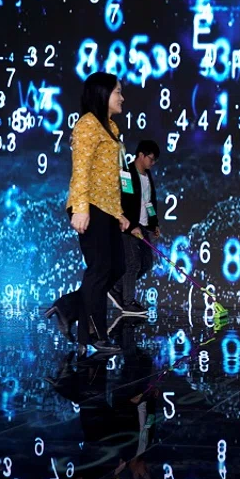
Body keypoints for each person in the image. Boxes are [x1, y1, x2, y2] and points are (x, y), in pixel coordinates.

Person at [45, 72, 130, 355]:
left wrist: (119, 212)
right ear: (103, 94)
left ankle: (68, 308)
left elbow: (113, 177)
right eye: (117, 91)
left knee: (116, 267)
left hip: (107, 208)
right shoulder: (87, 126)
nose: (121, 97)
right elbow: (80, 171)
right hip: (89, 206)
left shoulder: (112, 128)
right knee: (99, 269)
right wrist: (80, 208)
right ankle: (94, 334)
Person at [107, 140, 160, 316]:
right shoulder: (127, 173)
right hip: (129, 226)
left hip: (144, 226)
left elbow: (149, 202)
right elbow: (124, 201)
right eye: (151, 159)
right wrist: (131, 227)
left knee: (146, 263)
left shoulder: (148, 176)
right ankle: (127, 301)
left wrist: (154, 224)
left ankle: (116, 288)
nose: (152, 163)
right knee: (132, 263)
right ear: (141, 155)